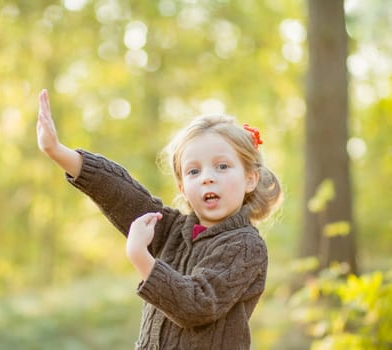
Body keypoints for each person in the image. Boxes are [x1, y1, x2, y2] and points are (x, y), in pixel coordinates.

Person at [36, 88, 282, 350]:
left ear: (250, 179)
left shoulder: (244, 246)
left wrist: (141, 257)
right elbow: (122, 195)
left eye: (222, 166)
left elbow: (196, 304)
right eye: (194, 171)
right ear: (182, 188)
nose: (207, 177)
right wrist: (57, 151)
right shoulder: (172, 231)